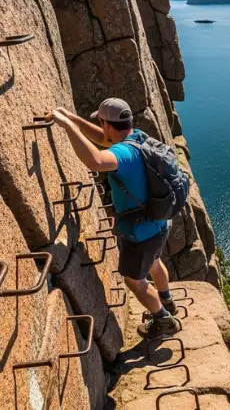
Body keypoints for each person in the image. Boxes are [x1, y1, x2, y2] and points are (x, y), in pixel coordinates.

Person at [47, 99, 180, 338]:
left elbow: (95, 160)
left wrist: (67, 126)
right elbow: (102, 138)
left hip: (141, 232)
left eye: (101, 122)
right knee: (155, 262)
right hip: (160, 221)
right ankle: (167, 301)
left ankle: (163, 320)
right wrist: (70, 116)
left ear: (106, 123)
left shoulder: (123, 154)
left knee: (134, 281)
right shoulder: (137, 138)